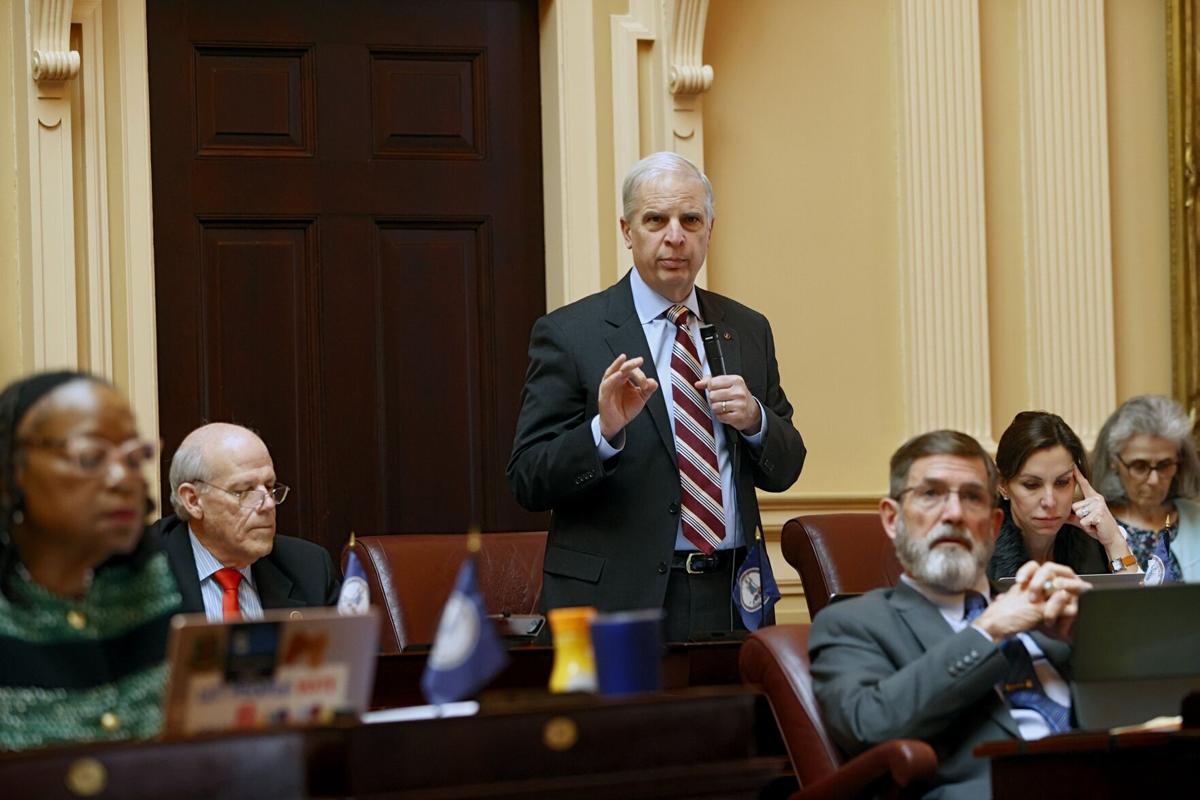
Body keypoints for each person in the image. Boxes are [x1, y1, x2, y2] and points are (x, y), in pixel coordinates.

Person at [507, 151, 806, 641]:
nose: (675, 236)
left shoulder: (747, 330)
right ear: (627, 231)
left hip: (731, 595)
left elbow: (787, 467)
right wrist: (602, 433)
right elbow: (526, 479)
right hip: (618, 603)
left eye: (690, 220)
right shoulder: (571, 333)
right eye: (655, 220)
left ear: (710, 228)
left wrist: (755, 420)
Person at [809, 430, 1088, 799]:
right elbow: (870, 724)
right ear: (893, 519)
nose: (954, 513)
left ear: (993, 526)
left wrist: (1091, 637)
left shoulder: (1043, 611)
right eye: (930, 494)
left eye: (972, 497)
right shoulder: (850, 623)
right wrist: (988, 630)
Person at [0, 371, 181, 751]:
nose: (123, 478)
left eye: (135, 457)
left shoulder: (152, 579)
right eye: (90, 457)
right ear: (10, 475)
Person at [151, 423, 339, 620]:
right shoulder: (138, 571)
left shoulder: (309, 567)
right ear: (193, 500)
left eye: (269, 487)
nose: (268, 504)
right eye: (244, 492)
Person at [986, 411, 1138, 580]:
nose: (1049, 501)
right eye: (1032, 485)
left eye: (1062, 482)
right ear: (1003, 484)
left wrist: (1114, 542)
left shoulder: (1094, 540)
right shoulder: (980, 549)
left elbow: (1138, 605)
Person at [1091, 395, 1200, 582]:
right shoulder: (1095, 526)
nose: (1154, 480)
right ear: (1113, 462)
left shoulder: (1196, 518)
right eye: (1140, 466)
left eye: (1165, 464)